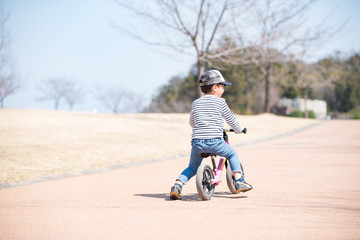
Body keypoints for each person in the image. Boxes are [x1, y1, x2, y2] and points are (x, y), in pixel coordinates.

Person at [170, 69, 253, 200]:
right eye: (222, 86)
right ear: (215, 87)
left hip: (197, 142)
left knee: (192, 167)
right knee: (231, 154)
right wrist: (239, 129)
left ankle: (177, 185)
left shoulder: (196, 103)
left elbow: (192, 122)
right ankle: (238, 181)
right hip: (215, 141)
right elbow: (231, 119)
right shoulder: (221, 102)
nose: (223, 90)